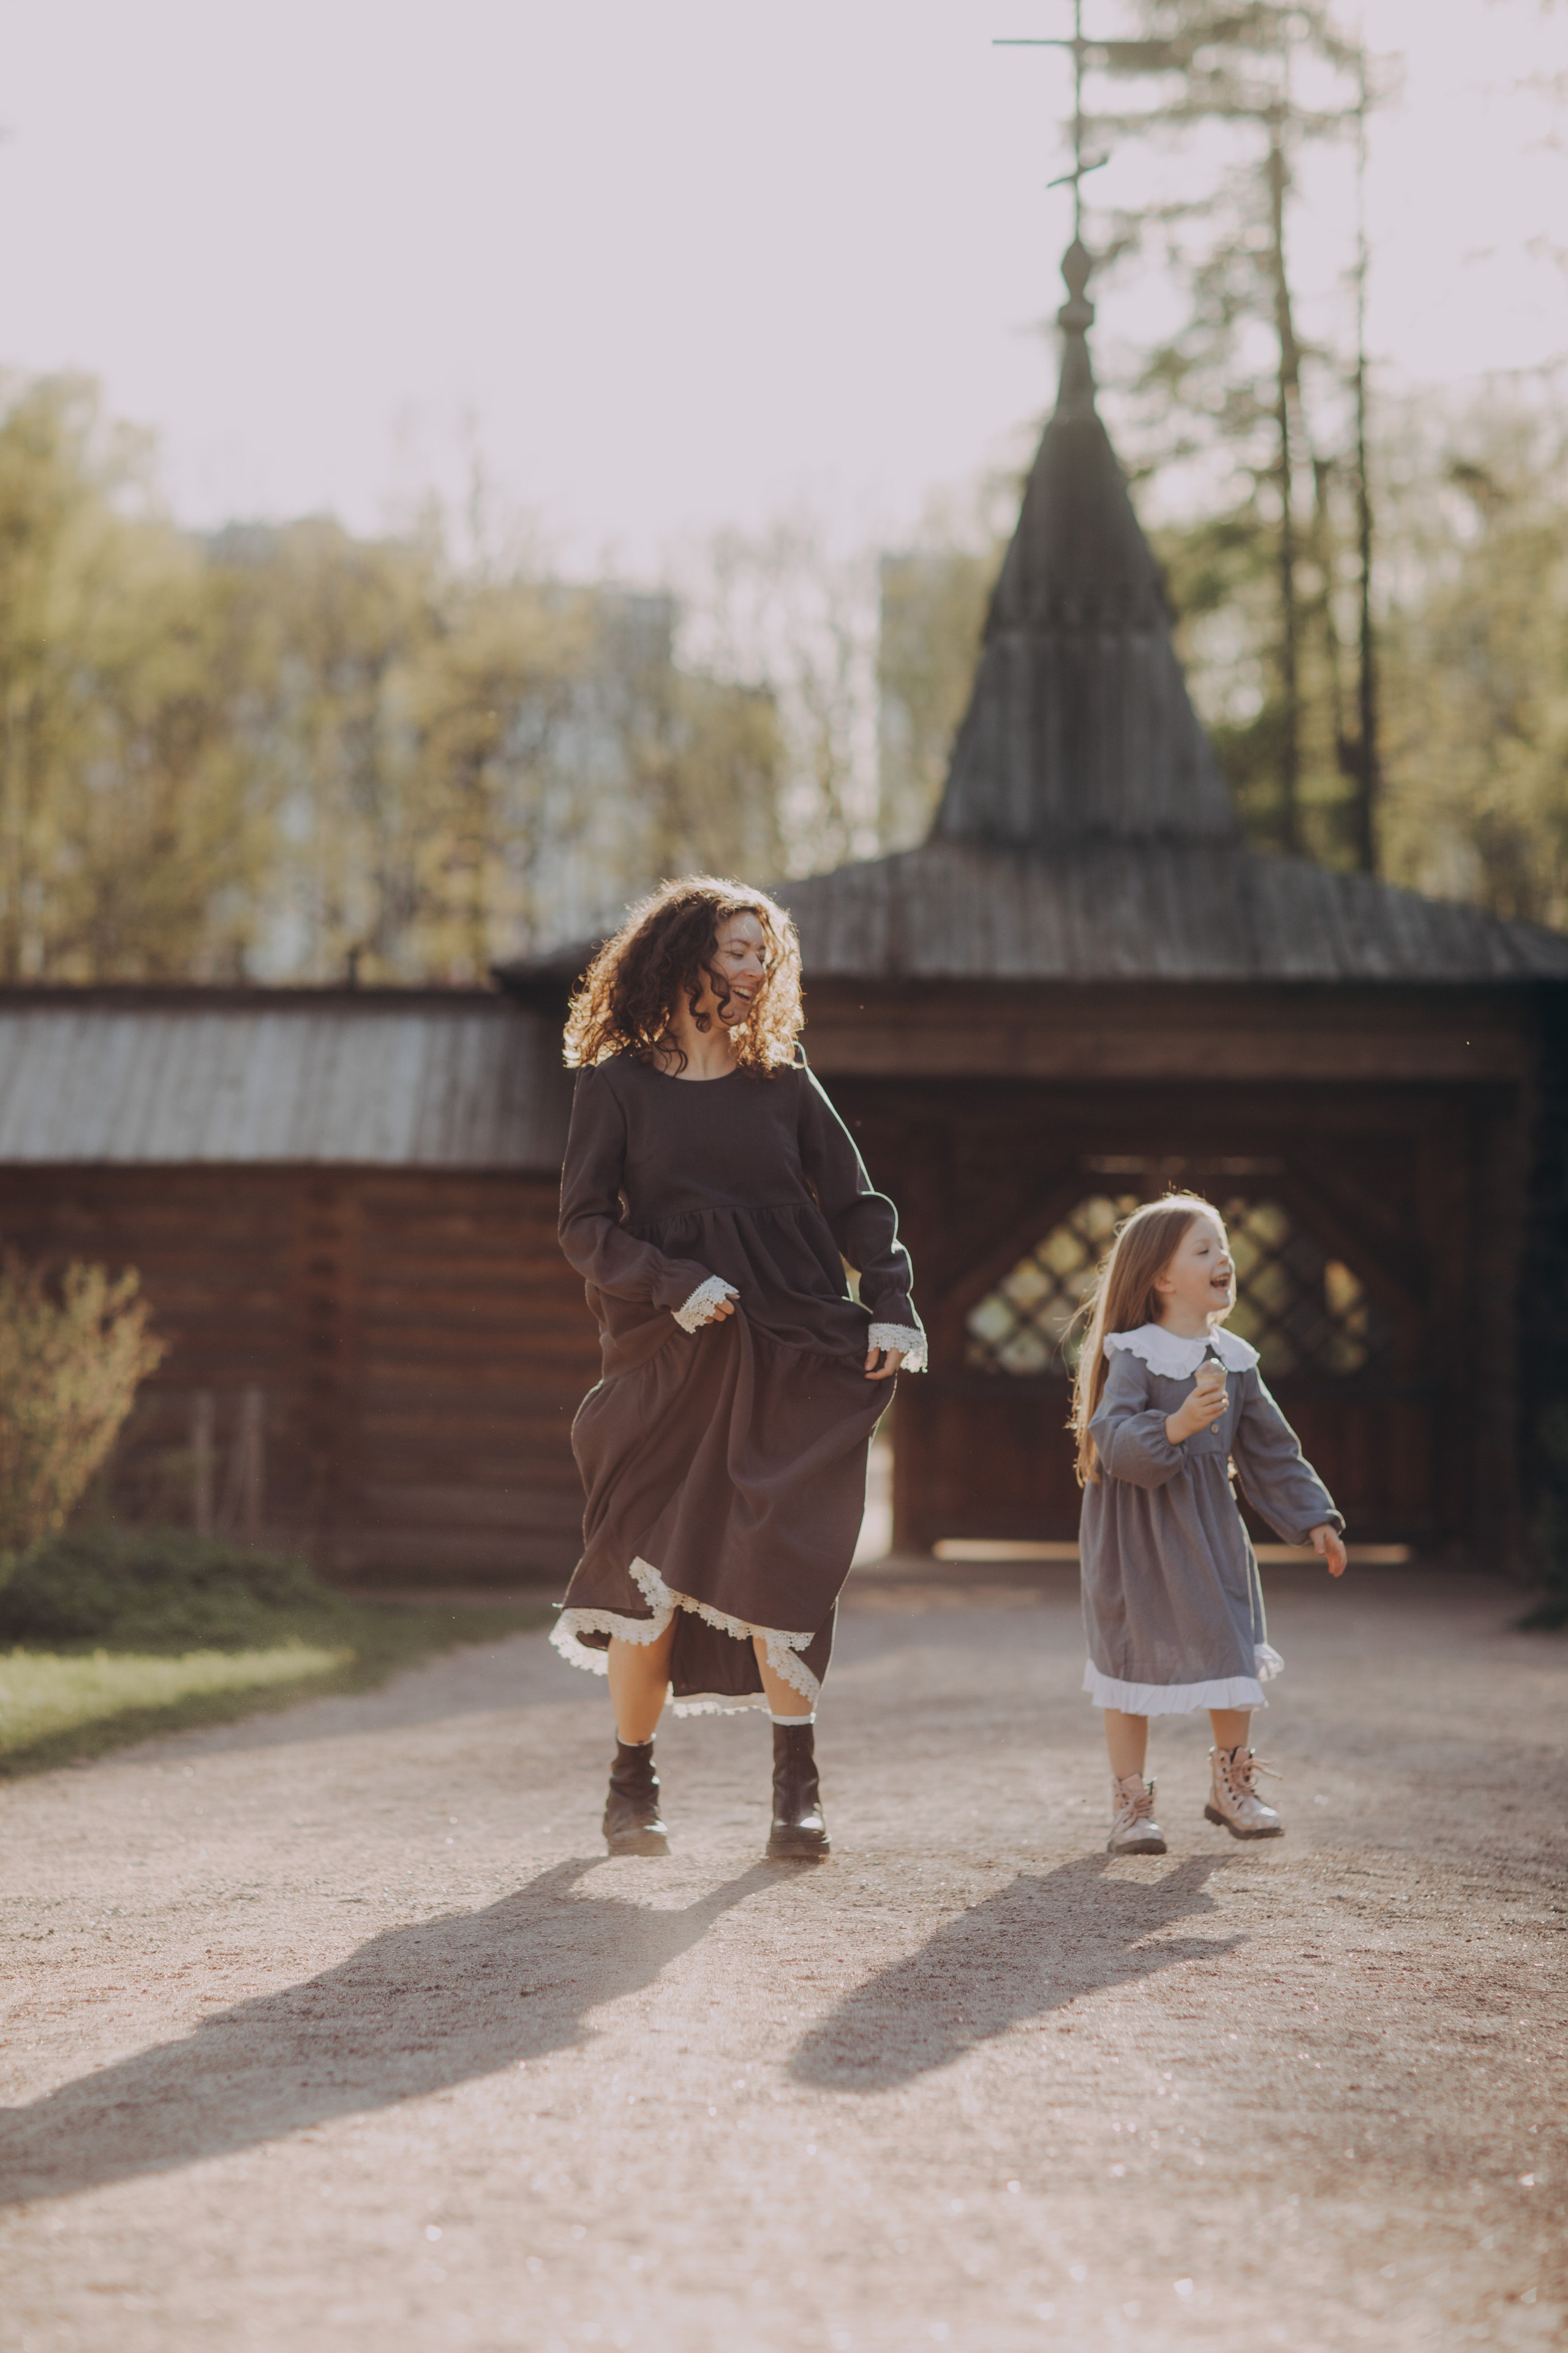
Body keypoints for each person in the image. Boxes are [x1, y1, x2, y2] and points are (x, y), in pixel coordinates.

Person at [549, 875, 925, 1861]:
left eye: (765, 951)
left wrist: (892, 1301)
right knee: (647, 1569)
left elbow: (858, 1205)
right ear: (682, 959)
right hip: (666, 1359)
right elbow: (584, 1228)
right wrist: (671, 1279)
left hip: (791, 1346)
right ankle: (632, 1780)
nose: (755, 967)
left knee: (783, 1557)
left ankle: (796, 1788)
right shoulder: (615, 1087)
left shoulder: (788, 1083)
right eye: (736, 948)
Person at [1070, 1194, 1347, 1854]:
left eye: (1222, 1246)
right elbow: (1111, 1437)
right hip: (1134, 1533)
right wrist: (1177, 1425)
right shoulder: (1133, 1353)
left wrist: (1314, 1519)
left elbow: (1271, 1451)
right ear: (1162, 1278)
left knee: (1230, 1644)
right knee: (1129, 1659)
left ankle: (1232, 1785)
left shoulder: (1238, 1360)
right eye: (1204, 1249)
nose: (1223, 1258)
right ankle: (1131, 1804)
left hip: (1211, 1531)